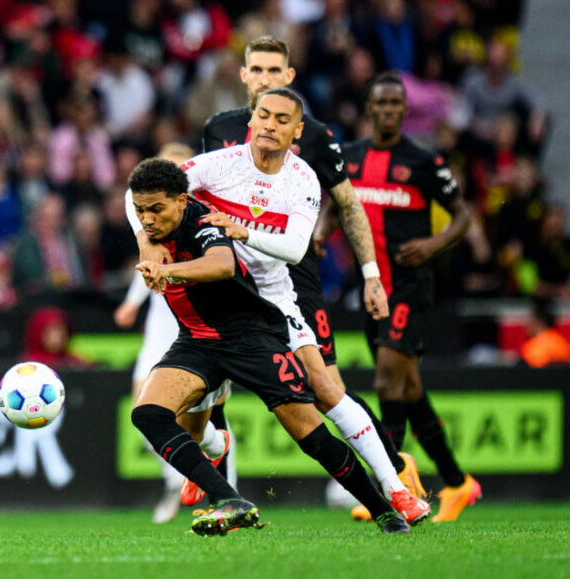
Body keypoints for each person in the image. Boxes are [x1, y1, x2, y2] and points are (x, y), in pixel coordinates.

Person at [135, 89, 430, 523]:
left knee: (326, 391)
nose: (270, 125)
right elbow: (145, 190)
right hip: (215, 305)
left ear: (298, 130)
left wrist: (240, 230)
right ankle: (213, 452)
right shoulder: (221, 163)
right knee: (183, 415)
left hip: (271, 301)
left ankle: (394, 489)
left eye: (281, 119)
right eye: (263, 115)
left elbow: (294, 249)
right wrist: (148, 243)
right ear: (251, 120)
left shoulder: (302, 179)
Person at [202, 36, 427, 510]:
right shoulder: (219, 132)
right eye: (256, 69)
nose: (264, 78)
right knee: (214, 386)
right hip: (229, 276)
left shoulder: (317, 139)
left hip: (292, 277)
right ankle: (219, 489)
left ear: (289, 77)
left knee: (327, 388)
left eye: (274, 71)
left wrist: (370, 275)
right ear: (244, 75)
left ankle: (394, 473)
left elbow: (348, 204)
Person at [344, 71, 481, 522]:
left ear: (405, 110)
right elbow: (335, 205)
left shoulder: (423, 161)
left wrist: (432, 244)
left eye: (393, 104)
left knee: (386, 379)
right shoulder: (351, 158)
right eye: (378, 103)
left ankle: (393, 485)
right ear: (369, 109)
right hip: (372, 287)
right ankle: (458, 484)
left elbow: (463, 216)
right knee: (410, 390)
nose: (386, 110)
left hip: (408, 288)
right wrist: (322, 236)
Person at [113, 143, 195, 524]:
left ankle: (202, 478)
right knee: (141, 408)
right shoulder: (148, 213)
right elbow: (149, 257)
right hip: (161, 320)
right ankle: (174, 479)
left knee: (193, 413)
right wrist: (134, 300)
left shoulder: (196, 214)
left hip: (194, 317)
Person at [521, 299, 570, 368]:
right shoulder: (562, 343)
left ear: (539, 322)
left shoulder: (534, 346)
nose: (526, 325)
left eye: (530, 320)